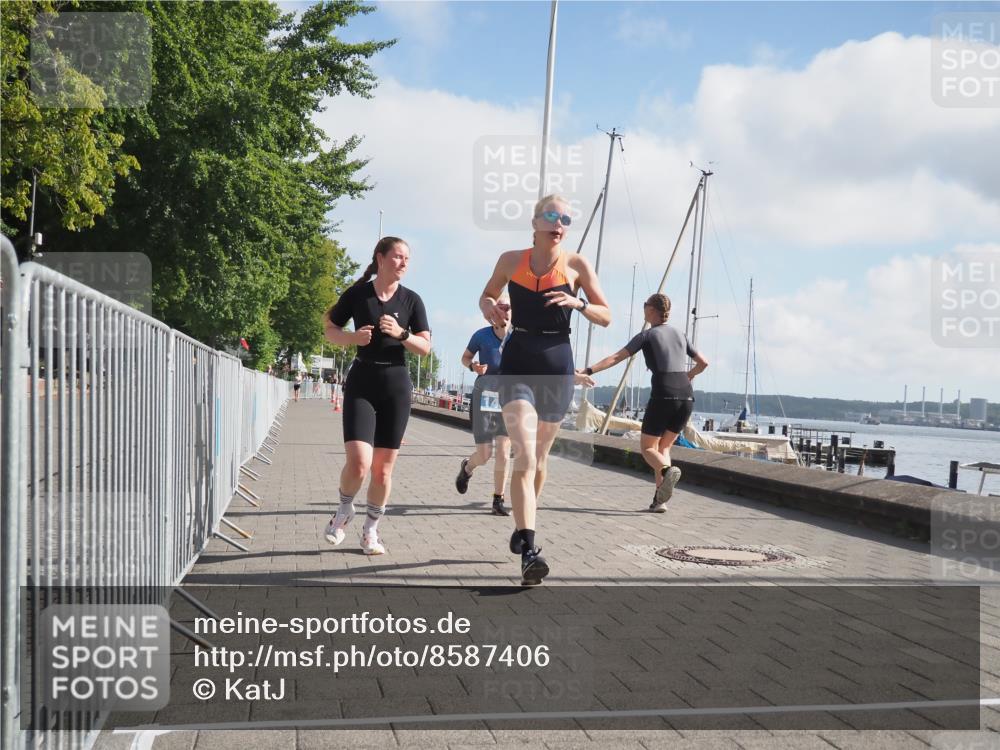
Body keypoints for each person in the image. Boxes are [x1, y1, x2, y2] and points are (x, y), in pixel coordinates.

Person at [480, 194, 610, 585]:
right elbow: (486, 295)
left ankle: (522, 525)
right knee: (523, 454)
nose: (559, 223)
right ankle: (530, 552)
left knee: (538, 460)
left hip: (557, 365)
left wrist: (578, 303)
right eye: (552, 215)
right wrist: (492, 307)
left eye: (566, 218)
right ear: (535, 222)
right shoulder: (510, 260)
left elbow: (606, 315)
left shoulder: (576, 264)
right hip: (518, 360)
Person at [322, 236, 431, 555]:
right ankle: (344, 510)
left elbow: (425, 346)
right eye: (397, 256)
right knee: (359, 463)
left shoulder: (412, 300)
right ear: (380, 258)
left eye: (406, 259)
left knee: (383, 470)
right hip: (362, 381)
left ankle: (371, 531)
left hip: (396, 386)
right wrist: (351, 337)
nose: (403, 263)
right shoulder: (358, 294)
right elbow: (329, 328)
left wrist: (402, 333)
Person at [578, 293, 708, 512]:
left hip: (664, 392)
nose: (643, 309)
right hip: (686, 395)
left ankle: (667, 472)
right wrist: (689, 376)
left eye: (644, 305)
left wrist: (588, 370)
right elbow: (703, 362)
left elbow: (616, 358)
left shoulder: (646, 335)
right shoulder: (680, 334)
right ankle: (660, 501)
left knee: (648, 448)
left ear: (651, 311)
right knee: (663, 447)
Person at [455, 294, 512, 516]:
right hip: (484, 396)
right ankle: (467, 468)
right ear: (492, 312)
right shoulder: (481, 335)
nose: (504, 312)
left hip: (508, 398)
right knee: (485, 454)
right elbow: (465, 358)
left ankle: (498, 500)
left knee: (504, 452)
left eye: (508, 308)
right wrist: (474, 367)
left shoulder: (518, 338)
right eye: (500, 308)